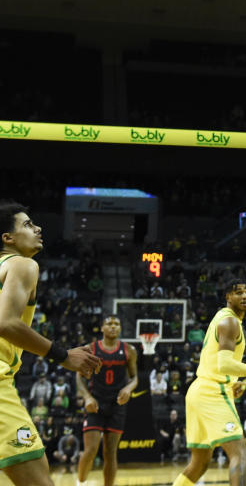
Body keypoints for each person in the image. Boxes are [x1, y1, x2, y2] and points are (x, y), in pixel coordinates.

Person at [0, 201, 100, 486]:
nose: (38, 228)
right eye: (28, 225)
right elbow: (6, 322)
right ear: (8, 238)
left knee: (31, 469)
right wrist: (62, 355)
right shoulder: (21, 263)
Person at [172, 280, 246, 486]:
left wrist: (234, 381)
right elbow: (224, 365)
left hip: (200, 390)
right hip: (213, 392)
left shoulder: (222, 318)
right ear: (227, 297)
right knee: (240, 454)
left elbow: (217, 362)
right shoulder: (230, 322)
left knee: (199, 464)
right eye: (238, 292)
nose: (244, 296)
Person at [76, 314, 138, 486]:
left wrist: (128, 388)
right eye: (109, 324)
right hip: (95, 404)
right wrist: (87, 397)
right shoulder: (92, 349)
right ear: (102, 328)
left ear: (120, 328)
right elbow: (79, 377)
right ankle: (80, 483)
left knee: (110, 452)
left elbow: (135, 378)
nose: (113, 326)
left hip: (117, 405)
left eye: (116, 324)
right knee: (90, 450)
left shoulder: (129, 350)